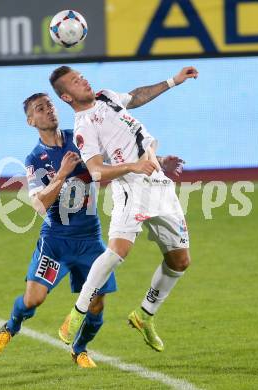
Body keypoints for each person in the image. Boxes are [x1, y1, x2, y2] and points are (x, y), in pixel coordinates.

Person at [49, 65, 198, 352]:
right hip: (132, 187)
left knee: (180, 261)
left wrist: (172, 81)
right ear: (67, 97)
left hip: (158, 183)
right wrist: (133, 166)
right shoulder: (83, 127)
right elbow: (95, 171)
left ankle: (144, 314)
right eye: (75, 82)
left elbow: (135, 97)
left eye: (81, 76)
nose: (83, 80)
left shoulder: (105, 96)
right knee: (118, 251)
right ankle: (77, 313)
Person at [0, 92, 117, 368]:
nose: (48, 111)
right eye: (40, 108)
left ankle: (79, 349)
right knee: (33, 299)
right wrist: (61, 173)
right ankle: (10, 327)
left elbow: (114, 155)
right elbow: (39, 204)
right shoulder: (35, 158)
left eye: (50, 105)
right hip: (56, 242)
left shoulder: (81, 138)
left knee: (97, 306)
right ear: (30, 121)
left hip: (90, 240)